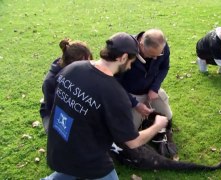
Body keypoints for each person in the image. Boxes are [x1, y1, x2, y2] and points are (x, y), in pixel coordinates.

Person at [42, 32, 168, 180]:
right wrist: (158, 125)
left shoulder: (73, 68)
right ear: (123, 58)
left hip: (57, 148)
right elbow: (133, 142)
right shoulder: (115, 95)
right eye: (130, 62)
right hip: (90, 159)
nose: (129, 67)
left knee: (69, 169)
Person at [116, 29, 176, 158]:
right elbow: (115, 84)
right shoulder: (125, 52)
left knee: (168, 117)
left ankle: (152, 125)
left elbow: (164, 68)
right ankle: (144, 122)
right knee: (130, 134)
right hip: (130, 94)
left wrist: (154, 88)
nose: (155, 58)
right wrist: (135, 103)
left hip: (151, 91)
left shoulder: (163, 48)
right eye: (152, 55)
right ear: (141, 45)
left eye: (158, 55)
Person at [40, 39, 93, 134]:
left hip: (74, 109)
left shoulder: (80, 71)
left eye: (90, 60)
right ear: (72, 64)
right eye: (85, 62)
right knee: (62, 136)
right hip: (54, 113)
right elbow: (53, 107)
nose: (90, 65)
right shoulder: (51, 81)